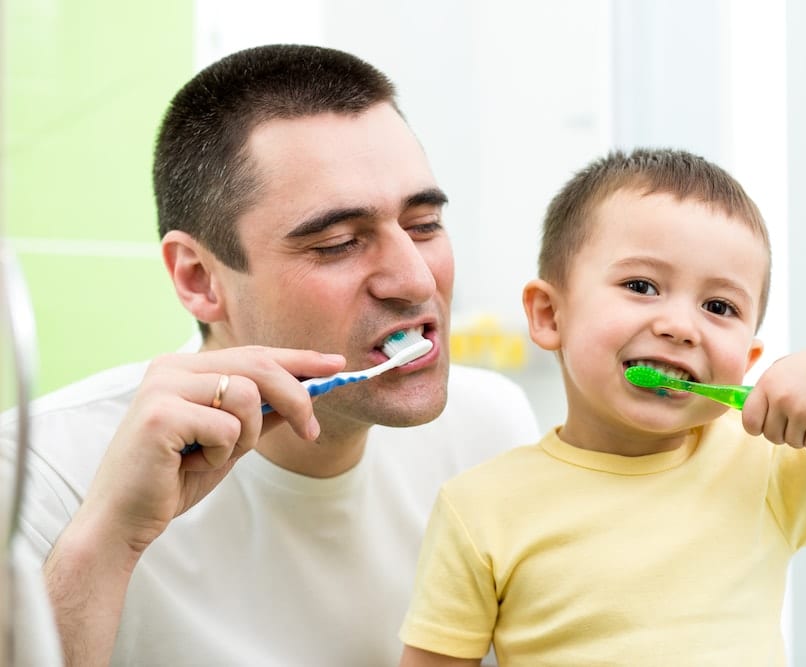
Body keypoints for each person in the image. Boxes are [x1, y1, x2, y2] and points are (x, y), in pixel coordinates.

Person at [0, 44, 540, 666]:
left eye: (423, 225)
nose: (416, 280)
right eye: (339, 243)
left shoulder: (491, 429)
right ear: (200, 278)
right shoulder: (43, 476)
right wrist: (106, 545)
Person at [397, 148, 806, 666]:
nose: (680, 326)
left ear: (748, 358)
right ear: (551, 315)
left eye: (720, 306)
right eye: (642, 286)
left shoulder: (765, 463)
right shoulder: (480, 509)